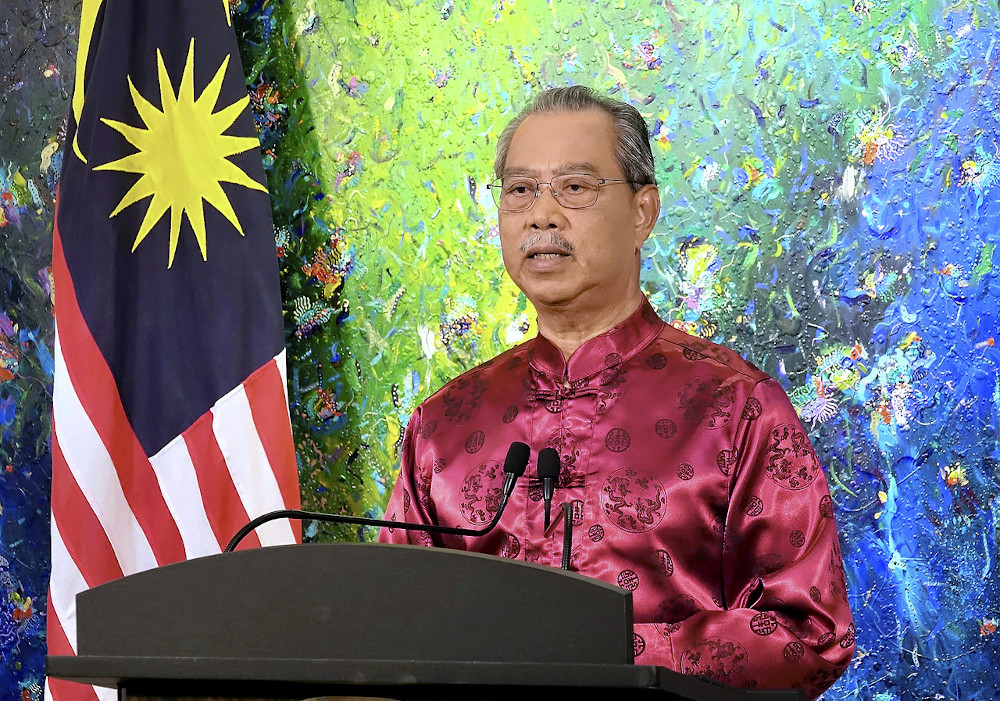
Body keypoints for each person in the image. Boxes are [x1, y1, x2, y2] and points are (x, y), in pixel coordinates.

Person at [378, 86, 854, 698]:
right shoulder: (443, 425)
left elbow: (809, 633)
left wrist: (598, 649)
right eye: (520, 190)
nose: (541, 215)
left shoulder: (735, 407)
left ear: (642, 212)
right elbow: (393, 627)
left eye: (574, 188)